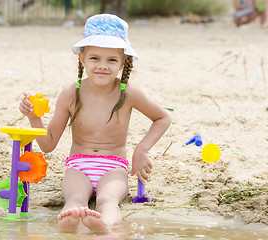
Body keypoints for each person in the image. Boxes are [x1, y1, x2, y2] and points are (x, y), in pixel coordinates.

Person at [19, 14, 171, 233]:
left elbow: (162, 118)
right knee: (74, 198)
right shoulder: (71, 93)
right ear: (82, 58)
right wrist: (34, 118)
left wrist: (142, 149)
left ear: (123, 63)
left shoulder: (128, 93)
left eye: (111, 60)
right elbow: (48, 144)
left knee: (108, 201)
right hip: (78, 166)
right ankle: (69, 222)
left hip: (113, 166)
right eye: (94, 58)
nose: (102, 66)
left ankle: (105, 226)